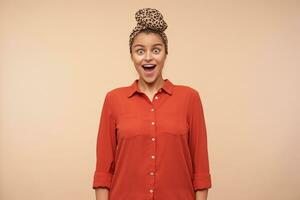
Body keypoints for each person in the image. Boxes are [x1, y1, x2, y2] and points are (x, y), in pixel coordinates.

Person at [92, 8, 212, 200]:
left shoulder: (190, 98)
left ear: (165, 53)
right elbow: (103, 173)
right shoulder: (113, 100)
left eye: (156, 50)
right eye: (140, 51)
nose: (148, 57)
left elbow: (201, 171)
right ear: (131, 56)